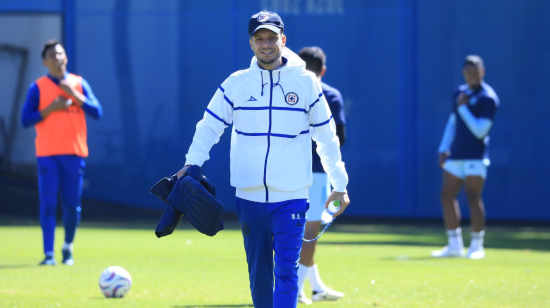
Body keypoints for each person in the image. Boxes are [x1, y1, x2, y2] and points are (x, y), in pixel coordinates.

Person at [176, 11, 350, 308]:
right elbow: (209, 126)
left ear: (283, 40)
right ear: (251, 43)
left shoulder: (307, 82)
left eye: (272, 37)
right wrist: (192, 164)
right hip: (249, 197)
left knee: (286, 273)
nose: (266, 44)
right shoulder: (236, 83)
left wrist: (340, 183)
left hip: (292, 197)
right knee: (259, 275)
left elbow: (327, 137)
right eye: (260, 38)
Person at [21, 40, 102, 266]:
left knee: (71, 205)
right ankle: (48, 254)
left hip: (74, 155)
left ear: (66, 57)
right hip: (48, 154)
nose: (58, 58)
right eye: (52, 55)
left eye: (60, 53)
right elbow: (25, 119)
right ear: (45, 62)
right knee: (48, 204)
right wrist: (50, 109)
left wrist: (76, 96)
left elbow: (97, 112)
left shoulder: (79, 83)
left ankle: (68, 248)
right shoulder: (37, 87)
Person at [432, 55, 498, 259]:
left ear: (482, 71)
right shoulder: (459, 93)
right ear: (463, 73)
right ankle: (454, 245)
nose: (472, 75)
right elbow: (453, 122)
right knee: (446, 196)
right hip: (456, 155)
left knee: (473, 197)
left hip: (475, 158)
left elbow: (480, 131)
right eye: (468, 72)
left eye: (475, 71)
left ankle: (477, 246)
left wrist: (463, 108)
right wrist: (443, 148)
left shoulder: (488, 97)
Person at [296, 47, 346, 304]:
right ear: (323, 70)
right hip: (316, 172)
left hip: (286, 171)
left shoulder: (285, 90)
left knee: (292, 231)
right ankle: (295, 289)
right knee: (309, 232)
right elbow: (340, 137)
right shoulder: (330, 94)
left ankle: (315, 287)